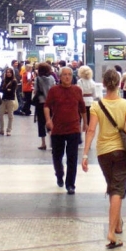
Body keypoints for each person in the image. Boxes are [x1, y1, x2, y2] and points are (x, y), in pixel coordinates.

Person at [82, 68, 126, 249]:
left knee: (113, 187)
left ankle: (118, 224)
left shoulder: (97, 106)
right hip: (121, 152)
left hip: (103, 152)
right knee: (117, 190)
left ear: (103, 84)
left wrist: (85, 154)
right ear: (119, 84)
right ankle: (111, 231)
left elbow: (90, 130)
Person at [44, 66, 87, 194]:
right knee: (57, 156)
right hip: (58, 128)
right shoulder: (54, 90)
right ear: (60, 77)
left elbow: (82, 107)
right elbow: (46, 106)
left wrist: (85, 122)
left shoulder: (77, 90)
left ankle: (70, 184)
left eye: (69, 74)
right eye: (64, 75)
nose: (67, 77)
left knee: (72, 158)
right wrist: (48, 120)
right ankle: (59, 173)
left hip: (73, 128)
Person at [34, 62, 55, 150]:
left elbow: (35, 91)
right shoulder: (52, 78)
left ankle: (43, 143)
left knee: (41, 123)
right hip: (51, 103)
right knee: (50, 120)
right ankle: (53, 140)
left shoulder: (38, 79)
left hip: (41, 102)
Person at [0, 67, 17, 136]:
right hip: (3, 99)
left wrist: (5, 89)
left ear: (12, 73)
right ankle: (1, 130)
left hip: (10, 99)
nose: (8, 74)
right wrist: (7, 89)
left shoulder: (14, 81)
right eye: (7, 72)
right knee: (0, 115)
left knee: (10, 115)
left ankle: (9, 130)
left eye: (9, 72)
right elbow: (0, 89)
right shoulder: (4, 80)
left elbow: (12, 91)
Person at [77, 65, 98, 131]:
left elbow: (80, 92)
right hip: (91, 102)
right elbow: (95, 95)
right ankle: (88, 135)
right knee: (89, 121)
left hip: (82, 102)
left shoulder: (80, 81)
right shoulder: (92, 81)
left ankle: (79, 133)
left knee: (79, 119)